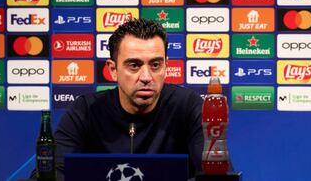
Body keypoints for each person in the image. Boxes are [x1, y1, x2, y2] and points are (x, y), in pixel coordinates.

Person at [54, 18, 203, 180]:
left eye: (155, 65)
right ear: (113, 70)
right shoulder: (86, 110)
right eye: (134, 65)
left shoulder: (188, 106)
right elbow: (50, 174)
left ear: (166, 66)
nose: (146, 77)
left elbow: (216, 176)